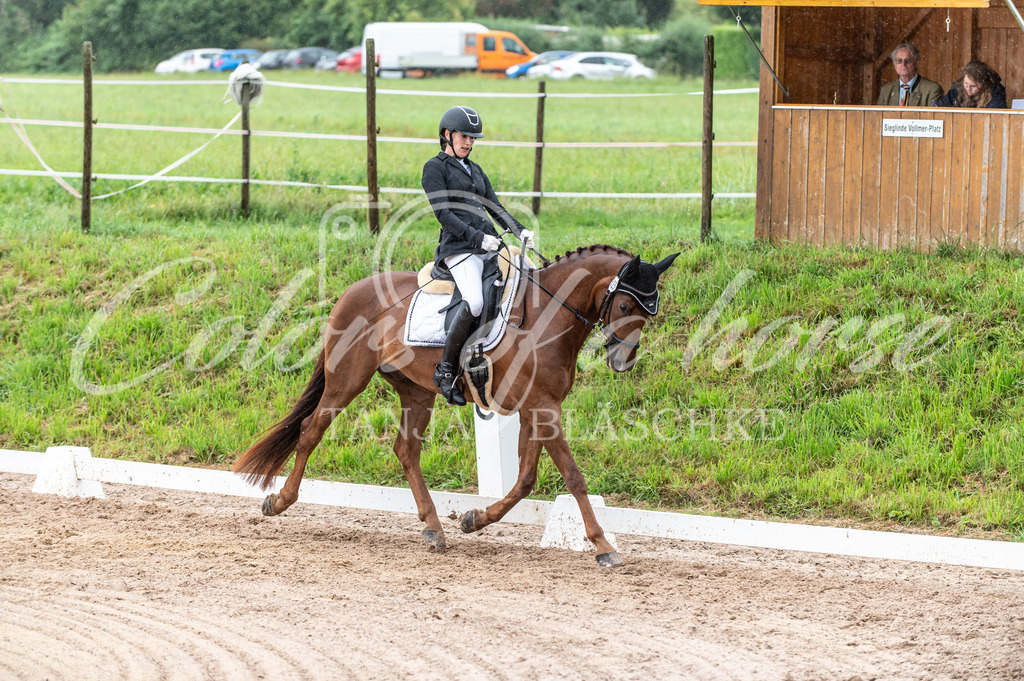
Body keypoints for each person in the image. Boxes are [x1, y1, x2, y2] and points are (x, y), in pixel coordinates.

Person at [421, 105, 534, 406]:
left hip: (487, 246)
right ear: (447, 134)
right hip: (459, 249)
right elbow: (443, 213)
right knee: (475, 301)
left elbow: (495, 208)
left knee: (524, 280)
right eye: (464, 136)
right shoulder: (435, 168)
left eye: (473, 138)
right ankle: (445, 371)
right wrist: (476, 238)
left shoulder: (475, 169)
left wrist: (520, 230)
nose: (469, 143)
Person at [877, 43, 943, 107]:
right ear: (894, 64)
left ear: (916, 63)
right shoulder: (886, 90)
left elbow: (932, 117)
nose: (903, 64)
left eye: (907, 60)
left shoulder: (932, 89)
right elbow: (878, 117)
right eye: (899, 60)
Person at [934, 61, 1008, 109]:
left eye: (973, 86)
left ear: (984, 84)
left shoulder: (995, 91)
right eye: (966, 83)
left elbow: (995, 115)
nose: (968, 89)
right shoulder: (957, 88)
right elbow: (942, 109)